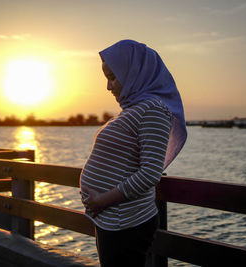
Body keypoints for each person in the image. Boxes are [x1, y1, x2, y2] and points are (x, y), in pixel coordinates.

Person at [80, 40, 187, 267]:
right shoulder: (133, 109)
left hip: (126, 222)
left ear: (134, 73)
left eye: (112, 77)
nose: (108, 87)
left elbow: (150, 173)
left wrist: (101, 200)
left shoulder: (153, 110)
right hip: (112, 218)